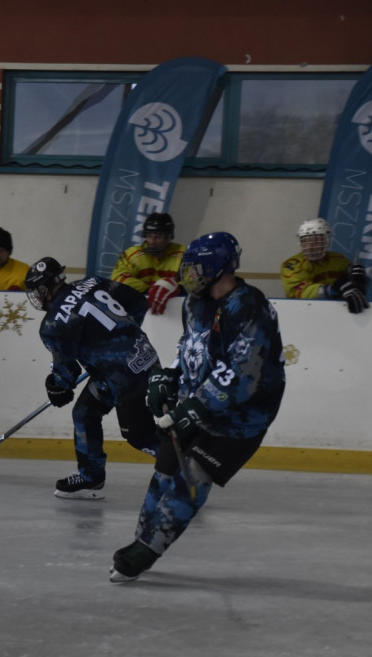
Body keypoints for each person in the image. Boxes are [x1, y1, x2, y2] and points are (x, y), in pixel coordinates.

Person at [111, 232, 286, 583]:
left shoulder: (249, 307)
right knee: (163, 472)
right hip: (198, 400)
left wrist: (195, 408)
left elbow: (243, 376)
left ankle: (149, 550)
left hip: (242, 415)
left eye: (194, 268)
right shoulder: (194, 303)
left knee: (193, 476)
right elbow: (190, 349)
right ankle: (144, 538)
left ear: (219, 267)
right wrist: (170, 376)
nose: (186, 275)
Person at [24, 257, 162, 500]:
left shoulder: (53, 323)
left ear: (46, 287)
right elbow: (139, 302)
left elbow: (66, 373)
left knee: (139, 435)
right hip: (144, 356)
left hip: (123, 378)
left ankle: (186, 466)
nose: (36, 296)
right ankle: (91, 478)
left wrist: (56, 389)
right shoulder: (93, 282)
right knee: (85, 413)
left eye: (37, 290)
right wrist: (122, 338)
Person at [280, 217, 367, 314]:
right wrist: (332, 290)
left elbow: (350, 288)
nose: (310, 247)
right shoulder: (292, 265)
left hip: (339, 312)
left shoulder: (340, 260)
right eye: (306, 242)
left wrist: (357, 280)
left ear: (326, 240)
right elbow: (299, 292)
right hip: (304, 313)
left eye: (316, 241)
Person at [110, 212, 185, 315]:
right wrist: (152, 290)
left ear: (168, 237)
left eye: (158, 236)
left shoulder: (184, 254)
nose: (152, 241)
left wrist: (176, 288)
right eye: (149, 236)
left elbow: (192, 282)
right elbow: (118, 278)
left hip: (175, 314)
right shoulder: (132, 254)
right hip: (138, 313)